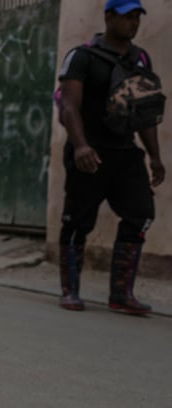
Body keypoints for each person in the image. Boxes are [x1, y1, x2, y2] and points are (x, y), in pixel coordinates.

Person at [56, 0, 163, 315]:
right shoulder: (82, 57)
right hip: (89, 151)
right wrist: (80, 147)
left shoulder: (141, 59)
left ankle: (121, 294)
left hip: (126, 153)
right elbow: (69, 106)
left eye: (136, 17)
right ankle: (70, 291)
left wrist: (155, 158)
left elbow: (145, 113)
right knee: (77, 222)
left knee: (141, 213)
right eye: (126, 16)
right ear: (108, 17)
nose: (133, 23)